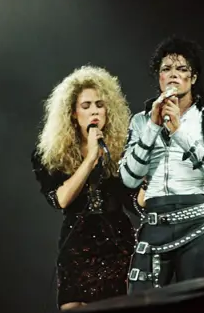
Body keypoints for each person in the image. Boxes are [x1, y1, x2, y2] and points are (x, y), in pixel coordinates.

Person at [119, 36, 204, 292]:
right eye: (166, 70)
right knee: (139, 302)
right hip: (154, 221)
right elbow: (128, 179)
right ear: (158, 77)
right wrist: (152, 126)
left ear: (193, 77)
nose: (173, 75)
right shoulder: (140, 120)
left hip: (197, 222)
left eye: (181, 69)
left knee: (192, 300)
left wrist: (180, 132)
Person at [31, 65, 139, 310]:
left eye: (100, 105)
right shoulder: (49, 155)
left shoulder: (122, 148)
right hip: (77, 245)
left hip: (117, 244)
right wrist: (91, 159)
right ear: (72, 113)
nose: (94, 112)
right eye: (86, 105)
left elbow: (131, 199)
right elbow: (61, 200)